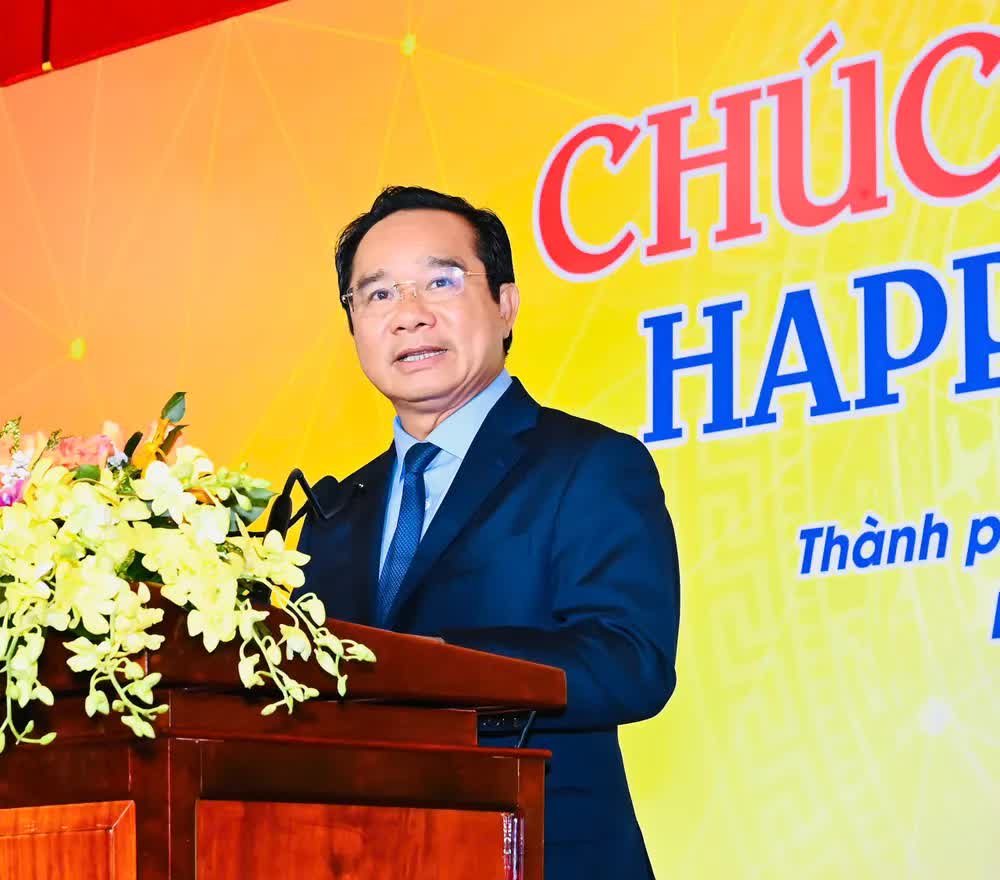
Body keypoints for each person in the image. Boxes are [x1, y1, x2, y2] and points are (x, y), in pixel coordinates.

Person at [298, 185, 680, 879]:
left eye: (440, 282)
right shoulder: (332, 512)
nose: (409, 315)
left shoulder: (589, 464)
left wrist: (424, 666)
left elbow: (629, 663)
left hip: (539, 855)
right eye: (378, 294)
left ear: (505, 305)